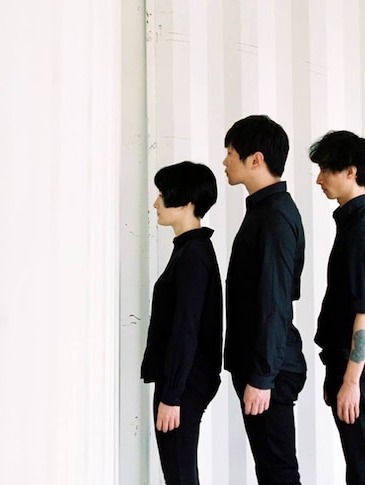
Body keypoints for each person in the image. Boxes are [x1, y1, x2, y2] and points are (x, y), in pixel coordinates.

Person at [222, 115, 308, 485]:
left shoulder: (273, 217)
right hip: (265, 363)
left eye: (230, 153)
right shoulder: (264, 211)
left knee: (278, 473)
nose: (225, 161)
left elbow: (275, 302)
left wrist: (261, 376)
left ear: (255, 159)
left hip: (268, 367)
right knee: (272, 471)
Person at [309, 130, 365, 484]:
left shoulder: (361, 230)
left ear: (352, 172)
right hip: (353, 368)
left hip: (361, 372)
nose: (319, 179)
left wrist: (351, 380)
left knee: (364, 476)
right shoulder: (353, 224)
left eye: (327, 169)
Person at [141, 161, 223, 485]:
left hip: (184, 383)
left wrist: (172, 395)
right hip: (181, 380)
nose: (156, 203)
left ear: (187, 202)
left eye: (163, 194)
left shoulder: (194, 255)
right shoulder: (189, 250)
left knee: (180, 474)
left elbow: (186, 328)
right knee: (177, 473)